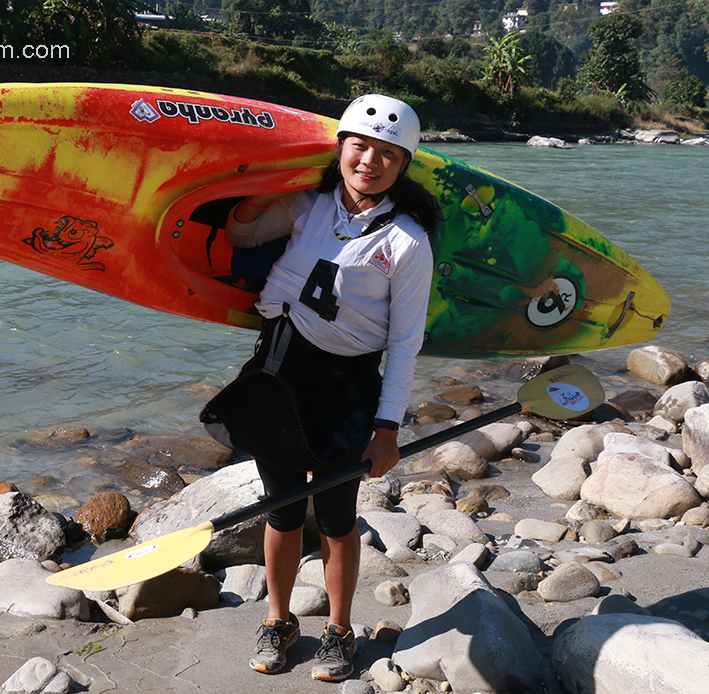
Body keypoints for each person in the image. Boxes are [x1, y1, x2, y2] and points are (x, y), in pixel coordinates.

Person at [219, 94, 439, 682]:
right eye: (360, 146)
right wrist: (260, 195)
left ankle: (339, 630)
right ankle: (278, 619)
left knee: (337, 517)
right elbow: (241, 238)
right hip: (278, 373)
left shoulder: (408, 241)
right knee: (281, 508)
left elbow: (404, 342)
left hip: (347, 388)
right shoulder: (307, 205)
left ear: (403, 164)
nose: (370, 160)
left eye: (387, 154)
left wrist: (387, 427)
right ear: (341, 146)